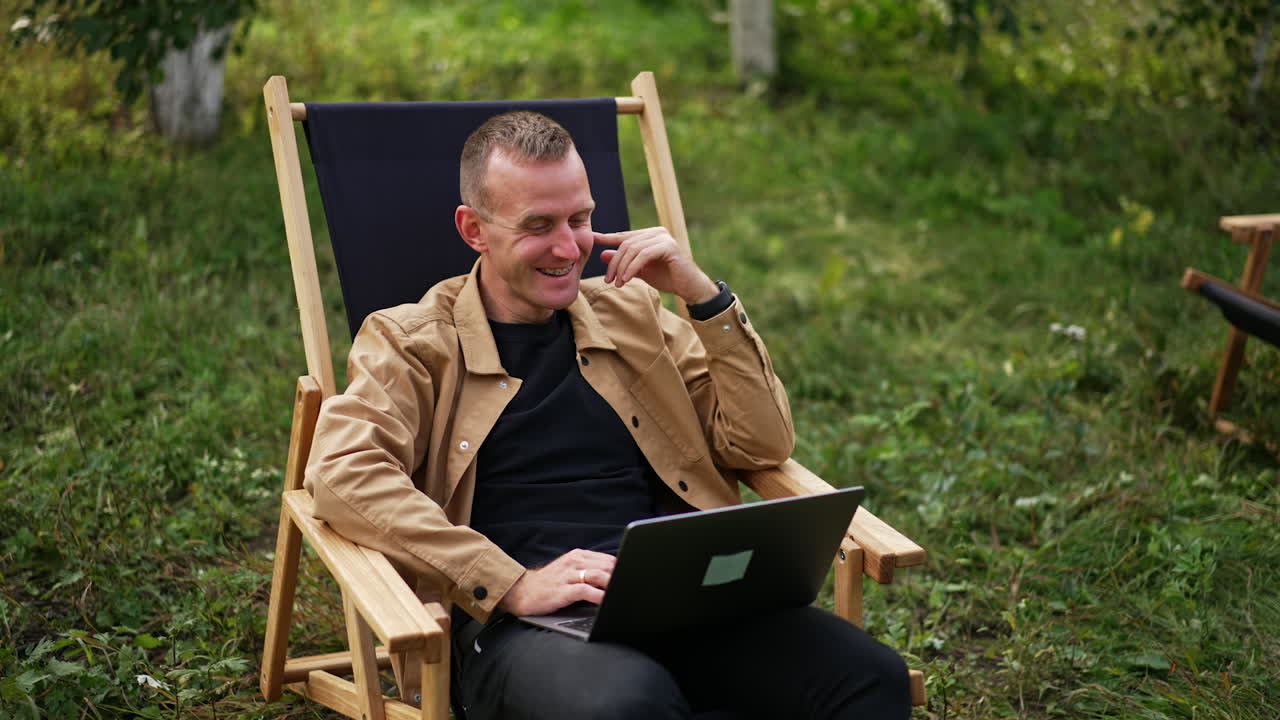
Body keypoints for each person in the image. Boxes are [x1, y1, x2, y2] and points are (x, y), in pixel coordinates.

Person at [305, 110, 910, 719]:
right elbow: (340, 471)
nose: (570, 248)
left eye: (581, 218)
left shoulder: (635, 314)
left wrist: (704, 298)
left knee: (868, 677)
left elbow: (761, 446)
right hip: (528, 626)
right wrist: (511, 582)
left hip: (682, 600)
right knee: (629, 702)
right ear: (473, 229)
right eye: (538, 226)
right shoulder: (412, 342)